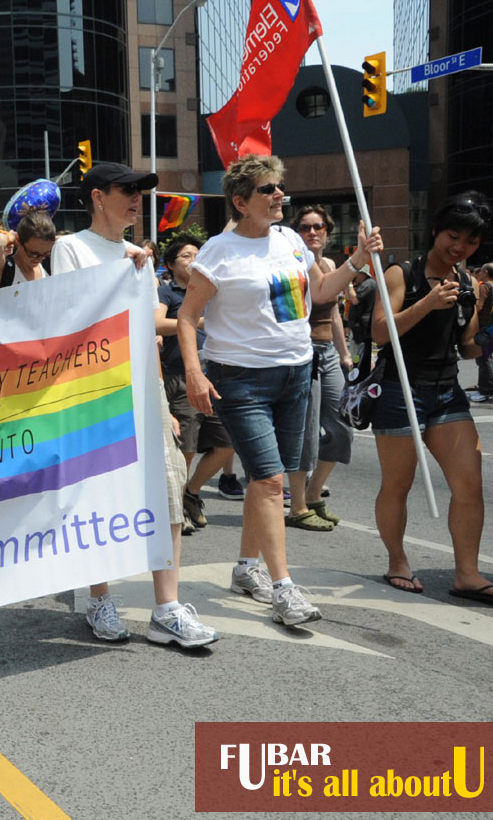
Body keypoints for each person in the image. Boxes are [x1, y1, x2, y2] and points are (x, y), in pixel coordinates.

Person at [177, 154, 379, 626]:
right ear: (241, 202)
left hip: (295, 373)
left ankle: (247, 567)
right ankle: (284, 587)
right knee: (269, 482)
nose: (279, 196)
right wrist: (194, 372)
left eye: (279, 188)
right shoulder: (218, 252)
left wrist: (357, 260)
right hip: (240, 379)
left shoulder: (289, 239)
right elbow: (187, 318)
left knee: (268, 477)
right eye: (268, 190)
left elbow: (323, 291)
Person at [53, 161, 218, 648]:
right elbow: (71, 321)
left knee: (168, 491)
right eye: (126, 190)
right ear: (97, 197)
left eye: (140, 192)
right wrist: (122, 274)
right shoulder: (71, 248)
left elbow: (145, 332)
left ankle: (166, 608)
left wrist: (160, 400)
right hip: (92, 395)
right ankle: (99, 598)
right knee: (97, 498)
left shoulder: (138, 257)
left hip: (142, 394)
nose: (136, 199)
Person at [369, 192, 493, 605]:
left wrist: (486, 321)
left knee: (469, 484)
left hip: (447, 393)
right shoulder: (400, 274)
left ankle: (467, 574)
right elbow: (378, 333)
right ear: (435, 232)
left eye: (471, 242)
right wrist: (426, 303)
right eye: (453, 236)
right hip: (398, 389)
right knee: (398, 484)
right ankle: (397, 561)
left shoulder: (467, 282)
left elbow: (468, 348)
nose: (459, 247)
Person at [153, 233, 235, 534]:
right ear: (172, 264)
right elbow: (156, 323)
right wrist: (193, 322)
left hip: (216, 374)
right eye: (186, 256)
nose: (194, 259)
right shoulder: (167, 293)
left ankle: (191, 492)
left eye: (198, 254)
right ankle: (175, 507)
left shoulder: (211, 290)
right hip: (181, 377)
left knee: (228, 443)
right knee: (185, 447)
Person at [285, 206, 355, 532]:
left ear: (327, 230)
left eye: (318, 227)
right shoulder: (297, 264)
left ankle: (314, 494)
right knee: (308, 432)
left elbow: (336, 315)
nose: (312, 232)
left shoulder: (328, 264)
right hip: (304, 353)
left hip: (329, 354)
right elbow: (318, 292)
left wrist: (345, 355)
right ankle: (297, 506)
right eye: (305, 227)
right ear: (295, 232)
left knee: (342, 428)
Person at [0, 209, 56, 290]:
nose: (39, 259)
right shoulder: (3, 269)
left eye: (46, 254)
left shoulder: (48, 266)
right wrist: (11, 236)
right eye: (33, 254)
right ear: (18, 240)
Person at [468, 261, 493, 402]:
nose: (479, 273)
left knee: (483, 359)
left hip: (483, 327)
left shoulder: (484, 287)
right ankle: (488, 389)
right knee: (489, 358)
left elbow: (478, 307)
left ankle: (486, 390)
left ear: (486, 273)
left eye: (481, 271)